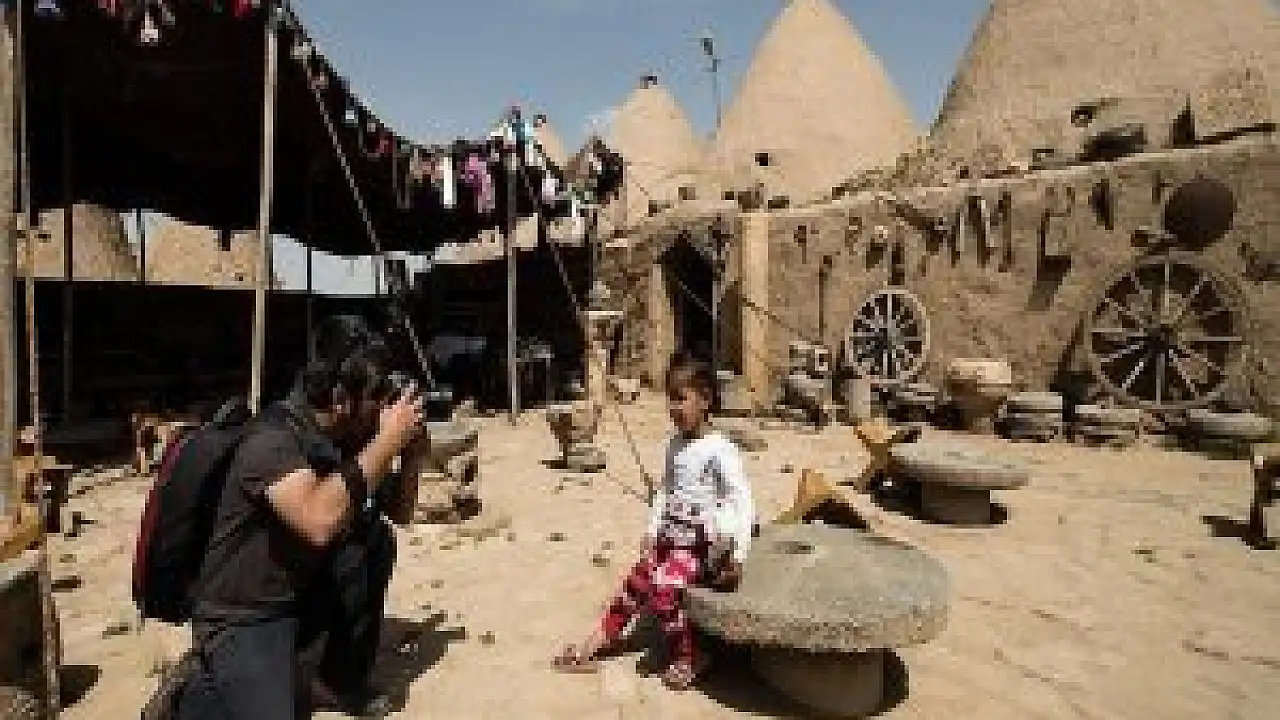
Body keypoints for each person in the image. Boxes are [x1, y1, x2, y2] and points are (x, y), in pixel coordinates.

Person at [174, 315, 424, 720]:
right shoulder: (271, 440)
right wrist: (386, 440)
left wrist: (409, 456)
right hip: (243, 615)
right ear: (340, 398)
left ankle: (339, 680)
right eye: (375, 395)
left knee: (374, 539)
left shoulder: (347, 436)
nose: (382, 406)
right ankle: (189, 691)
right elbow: (319, 521)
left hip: (297, 594)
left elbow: (401, 514)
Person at [553, 352, 755, 690]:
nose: (673, 408)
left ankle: (690, 656)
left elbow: (742, 500)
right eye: (669, 399)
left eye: (680, 399)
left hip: (700, 548)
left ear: (705, 399)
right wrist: (651, 530)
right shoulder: (675, 445)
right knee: (635, 585)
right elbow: (664, 491)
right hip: (670, 540)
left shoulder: (720, 450)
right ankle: (599, 641)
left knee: (663, 590)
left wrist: (738, 556)